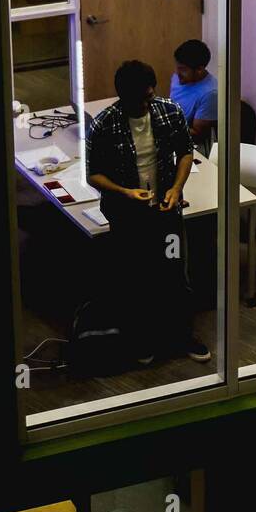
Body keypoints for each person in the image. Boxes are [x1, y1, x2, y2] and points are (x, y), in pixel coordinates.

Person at [85, 59, 211, 364]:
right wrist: (126, 192)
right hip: (127, 215)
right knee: (135, 276)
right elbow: (94, 175)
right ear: (123, 97)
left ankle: (181, 336)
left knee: (174, 272)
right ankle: (142, 340)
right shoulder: (105, 123)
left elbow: (185, 152)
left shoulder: (168, 111)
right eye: (139, 99)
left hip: (165, 212)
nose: (146, 103)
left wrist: (177, 188)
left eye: (149, 96)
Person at [169, 39, 218, 151]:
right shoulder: (179, 77)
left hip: (192, 145)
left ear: (200, 69)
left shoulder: (210, 94)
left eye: (182, 69)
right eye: (177, 67)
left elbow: (197, 134)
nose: (177, 73)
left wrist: (167, 128)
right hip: (172, 132)